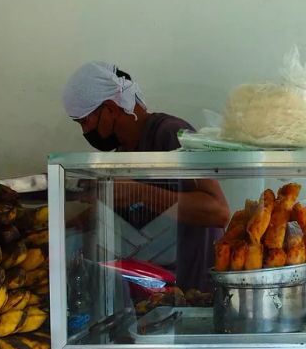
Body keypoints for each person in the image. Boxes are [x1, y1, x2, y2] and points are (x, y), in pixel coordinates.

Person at [62, 61, 230, 293]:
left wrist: (139, 192)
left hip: (196, 293)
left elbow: (218, 212)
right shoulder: (124, 153)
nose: (84, 131)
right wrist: (64, 228)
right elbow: (126, 211)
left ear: (110, 109)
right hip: (156, 298)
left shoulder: (171, 134)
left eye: (84, 121)